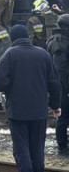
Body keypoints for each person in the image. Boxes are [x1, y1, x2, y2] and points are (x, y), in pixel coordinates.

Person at [0, 24, 62, 171]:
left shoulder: (10, 54)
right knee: (37, 148)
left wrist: (8, 87)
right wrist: (55, 106)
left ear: (13, 38)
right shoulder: (43, 54)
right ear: (27, 37)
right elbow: (55, 83)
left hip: (17, 111)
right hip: (39, 111)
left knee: (21, 148)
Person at [47, 14, 69, 155]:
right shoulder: (59, 42)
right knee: (64, 117)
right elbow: (61, 68)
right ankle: (63, 146)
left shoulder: (63, 39)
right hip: (63, 87)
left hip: (63, 85)